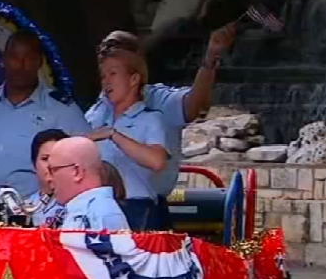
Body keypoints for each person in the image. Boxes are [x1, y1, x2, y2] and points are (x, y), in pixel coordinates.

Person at [93, 26, 235, 229]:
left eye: (115, 49)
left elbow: (193, 105)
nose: (107, 53)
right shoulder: (98, 109)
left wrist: (210, 59)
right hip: (101, 208)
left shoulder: (157, 103)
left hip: (142, 207)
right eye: (104, 50)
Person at [0, 30, 92, 209]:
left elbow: (87, 161)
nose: (21, 65)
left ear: (39, 62)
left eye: (28, 58)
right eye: (15, 57)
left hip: (37, 212)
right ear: (4, 60)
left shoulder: (62, 110)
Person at [84, 46, 168, 231]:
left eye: (113, 74)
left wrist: (113, 135)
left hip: (136, 208)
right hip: (98, 206)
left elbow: (157, 161)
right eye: (103, 76)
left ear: (134, 79)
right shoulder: (95, 116)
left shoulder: (150, 118)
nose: (106, 82)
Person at [47, 137, 130, 231]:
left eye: (52, 170)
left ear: (77, 172)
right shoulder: (87, 210)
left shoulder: (100, 212)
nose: (48, 178)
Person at [27, 129, 68, 227]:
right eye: (45, 159)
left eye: (58, 158)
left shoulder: (77, 204)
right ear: (34, 163)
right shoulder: (28, 205)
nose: (51, 165)